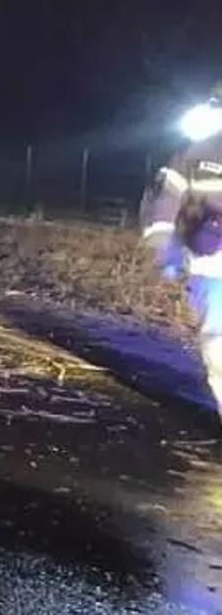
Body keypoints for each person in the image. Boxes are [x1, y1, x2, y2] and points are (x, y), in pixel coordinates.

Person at [143, 86, 222, 424]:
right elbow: (165, 197)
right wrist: (166, 246)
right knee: (218, 343)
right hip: (212, 262)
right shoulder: (195, 151)